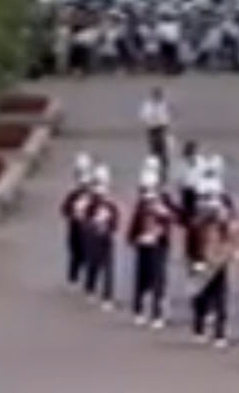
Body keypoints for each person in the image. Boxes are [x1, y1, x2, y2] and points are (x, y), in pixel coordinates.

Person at [190, 178, 237, 347]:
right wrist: (195, 261)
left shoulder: (223, 217)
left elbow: (230, 236)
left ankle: (220, 333)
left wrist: (231, 252)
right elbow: (192, 242)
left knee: (221, 298)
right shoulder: (197, 221)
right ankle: (199, 328)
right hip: (202, 261)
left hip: (218, 261)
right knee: (200, 296)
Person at [127, 166, 175, 327]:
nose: (148, 194)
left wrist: (165, 214)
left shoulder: (164, 202)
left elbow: (176, 217)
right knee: (141, 278)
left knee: (158, 280)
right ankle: (138, 310)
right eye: (145, 190)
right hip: (143, 245)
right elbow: (135, 223)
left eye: (150, 189)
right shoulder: (141, 205)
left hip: (159, 246)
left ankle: (157, 314)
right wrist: (133, 238)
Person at [83, 164, 120, 310]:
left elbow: (115, 220)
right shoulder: (91, 201)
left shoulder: (110, 204)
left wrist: (110, 226)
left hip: (106, 237)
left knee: (109, 268)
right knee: (93, 264)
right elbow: (85, 218)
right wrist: (93, 224)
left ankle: (108, 297)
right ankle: (90, 287)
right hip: (93, 237)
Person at [59, 152, 94, 286]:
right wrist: (73, 214)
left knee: (87, 252)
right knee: (75, 252)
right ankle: (72, 278)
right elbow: (64, 209)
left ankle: (87, 279)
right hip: (75, 227)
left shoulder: (91, 196)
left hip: (87, 228)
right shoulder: (73, 195)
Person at [140, 87, 172, 168]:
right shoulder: (147, 104)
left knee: (163, 147)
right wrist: (152, 118)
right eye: (156, 95)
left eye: (159, 95)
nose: (158, 97)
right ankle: (154, 164)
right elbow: (143, 116)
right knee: (153, 147)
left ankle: (164, 165)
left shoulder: (164, 104)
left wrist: (164, 122)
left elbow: (167, 115)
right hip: (152, 128)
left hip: (162, 127)